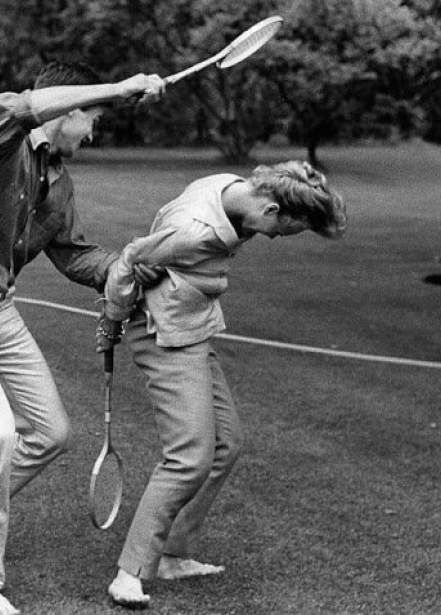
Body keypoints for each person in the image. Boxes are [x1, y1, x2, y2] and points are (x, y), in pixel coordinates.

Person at [0, 61, 165, 615]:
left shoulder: (59, 184)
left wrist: (134, 266)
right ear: (68, 108)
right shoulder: (2, 134)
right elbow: (23, 105)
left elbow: (75, 256)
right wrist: (121, 89)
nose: (93, 132)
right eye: (91, 119)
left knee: (50, 433)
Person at [95, 161, 347, 608]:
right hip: (163, 332)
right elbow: (132, 257)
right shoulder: (196, 231)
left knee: (226, 444)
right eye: (281, 231)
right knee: (188, 457)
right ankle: (129, 573)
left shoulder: (234, 188)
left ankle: (172, 552)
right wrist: (112, 317)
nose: (269, 238)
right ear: (270, 210)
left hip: (191, 322)